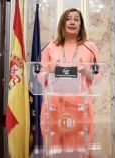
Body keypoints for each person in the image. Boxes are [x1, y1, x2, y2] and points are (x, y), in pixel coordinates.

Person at [38, 8, 100, 156]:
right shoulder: (50, 47)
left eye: (76, 19)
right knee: (55, 153)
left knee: (81, 152)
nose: (72, 22)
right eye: (68, 18)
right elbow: (39, 76)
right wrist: (50, 71)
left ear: (81, 25)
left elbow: (98, 78)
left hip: (81, 111)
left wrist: (85, 70)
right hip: (54, 109)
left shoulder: (90, 48)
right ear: (62, 23)